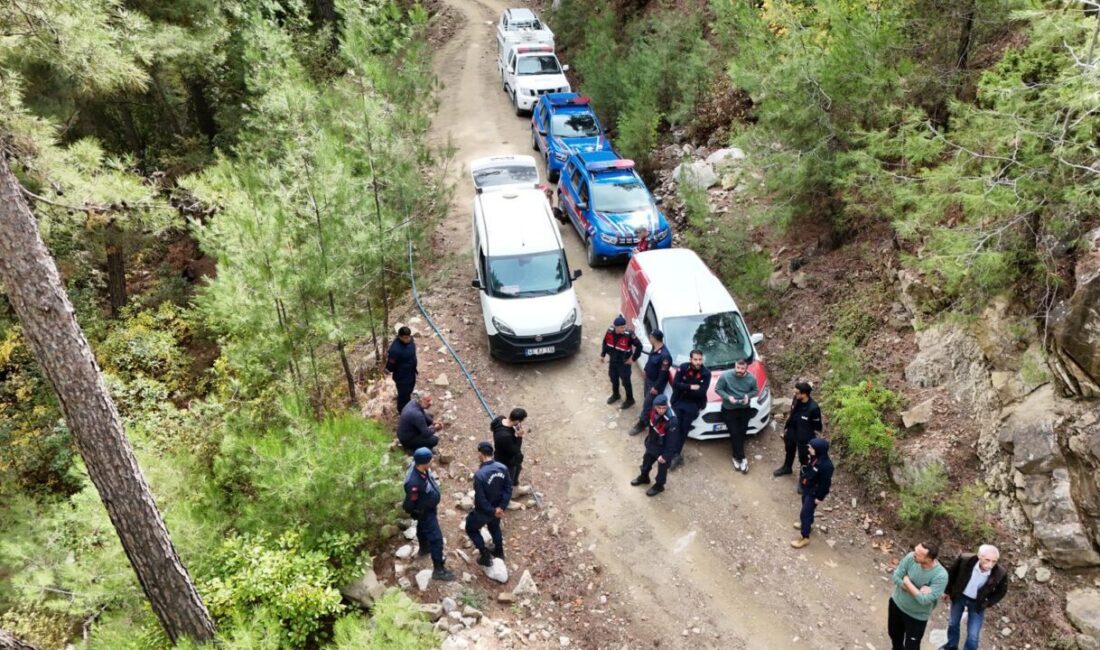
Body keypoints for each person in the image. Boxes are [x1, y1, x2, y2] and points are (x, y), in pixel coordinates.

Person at [940, 544, 1008, 650]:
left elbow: (1001, 591)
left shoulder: (1000, 573)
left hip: (978, 602)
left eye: (994, 561)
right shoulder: (965, 560)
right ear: (979, 556)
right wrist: (947, 591)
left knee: (973, 634)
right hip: (959, 596)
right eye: (987, 560)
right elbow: (952, 574)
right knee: (953, 623)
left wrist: (988, 602)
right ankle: (951, 646)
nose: (990, 565)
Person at [401, 447, 455, 581]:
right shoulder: (414, 483)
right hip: (425, 512)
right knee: (436, 539)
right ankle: (438, 570)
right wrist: (415, 512)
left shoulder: (419, 467)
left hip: (428, 508)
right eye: (430, 460)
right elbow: (409, 503)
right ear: (423, 463)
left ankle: (424, 548)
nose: (432, 461)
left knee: (422, 528)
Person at [889, 542, 949, 650]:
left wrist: (907, 581)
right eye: (915, 550)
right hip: (897, 604)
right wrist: (916, 591)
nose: (913, 554)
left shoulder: (941, 576)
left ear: (929, 559)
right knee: (894, 636)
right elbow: (896, 577)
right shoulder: (910, 557)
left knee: (912, 647)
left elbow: (924, 600)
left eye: (918, 554)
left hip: (916, 616)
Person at [465, 441, 513, 567]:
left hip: (484, 511)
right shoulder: (503, 468)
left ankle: (485, 555)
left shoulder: (480, 475)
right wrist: (501, 507)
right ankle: (499, 552)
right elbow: (508, 489)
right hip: (498, 508)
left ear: (481, 454)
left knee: (471, 528)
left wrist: (492, 510)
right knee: (494, 527)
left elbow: (480, 498)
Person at [714, 358, 758, 473]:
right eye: (737, 367)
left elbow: (755, 391)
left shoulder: (751, 378)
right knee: (734, 433)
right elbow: (718, 389)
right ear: (735, 365)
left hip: (744, 409)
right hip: (729, 409)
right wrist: (729, 397)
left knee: (741, 433)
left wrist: (748, 396)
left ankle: (735, 456)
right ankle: (742, 458)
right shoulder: (726, 376)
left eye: (742, 368)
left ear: (746, 368)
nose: (739, 370)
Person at [629, 394, 679, 496]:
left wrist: (665, 456)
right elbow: (652, 428)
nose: (661, 410)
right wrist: (648, 442)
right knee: (646, 461)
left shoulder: (671, 420)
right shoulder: (653, 412)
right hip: (653, 443)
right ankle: (644, 477)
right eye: (659, 408)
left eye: (664, 408)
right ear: (655, 406)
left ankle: (659, 486)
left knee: (662, 469)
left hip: (663, 447)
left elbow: (672, 442)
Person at [669, 349, 710, 470]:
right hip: (679, 400)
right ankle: (670, 449)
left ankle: (676, 454)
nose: (698, 362)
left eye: (700, 359)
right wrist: (690, 387)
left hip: (693, 404)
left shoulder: (706, 373)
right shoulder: (683, 367)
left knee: (683, 428)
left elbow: (701, 392)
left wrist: (684, 387)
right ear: (690, 359)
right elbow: (675, 384)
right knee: (675, 425)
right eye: (695, 359)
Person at [791, 437, 834, 548]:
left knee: (805, 513)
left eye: (811, 447)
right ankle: (806, 524)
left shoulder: (827, 466)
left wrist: (819, 498)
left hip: (814, 493)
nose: (809, 449)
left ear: (818, 449)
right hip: (807, 488)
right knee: (806, 508)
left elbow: (825, 484)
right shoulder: (815, 458)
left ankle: (805, 537)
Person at [774, 381, 823, 477]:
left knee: (804, 458)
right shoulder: (796, 399)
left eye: (797, 393)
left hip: (805, 435)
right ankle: (787, 467)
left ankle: (803, 479)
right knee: (789, 449)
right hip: (792, 430)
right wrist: (787, 429)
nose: (794, 394)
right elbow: (792, 413)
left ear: (804, 394)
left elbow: (817, 426)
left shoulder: (814, 408)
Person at [629, 330, 672, 436]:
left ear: (654, 338)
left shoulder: (665, 356)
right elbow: (650, 361)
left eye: (651, 336)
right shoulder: (655, 347)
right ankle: (650, 419)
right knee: (647, 400)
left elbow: (663, 374)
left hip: (655, 384)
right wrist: (645, 370)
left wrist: (656, 387)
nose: (649, 338)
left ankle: (642, 424)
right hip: (648, 380)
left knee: (648, 404)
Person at [600, 315, 643, 409]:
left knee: (626, 382)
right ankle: (616, 395)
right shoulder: (609, 331)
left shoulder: (629, 334)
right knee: (613, 378)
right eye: (621, 327)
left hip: (624, 363)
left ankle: (630, 399)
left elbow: (639, 346)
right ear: (615, 327)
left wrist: (633, 359)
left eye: (624, 326)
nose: (624, 329)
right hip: (613, 361)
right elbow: (605, 342)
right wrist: (603, 354)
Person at [385, 326, 418, 413]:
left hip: (411, 373)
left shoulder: (411, 340)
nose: (408, 339)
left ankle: (408, 406)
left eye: (409, 336)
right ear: (400, 337)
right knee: (403, 396)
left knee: (409, 392)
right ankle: (403, 412)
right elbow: (390, 366)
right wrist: (387, 370)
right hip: (402, 378)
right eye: (405, 338)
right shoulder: (395, 350)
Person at [492, 407, 527, 485]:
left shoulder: (500, 419)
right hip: (506, 461)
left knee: (517, 468)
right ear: (517, 420)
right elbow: (515, 450)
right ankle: (511, 492)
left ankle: (514, 486)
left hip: (499, 453)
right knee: (509, 479)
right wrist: (519, 436)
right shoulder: (505, 436)